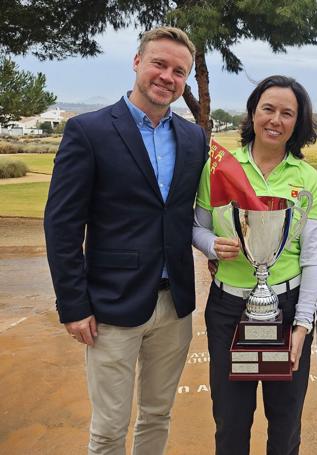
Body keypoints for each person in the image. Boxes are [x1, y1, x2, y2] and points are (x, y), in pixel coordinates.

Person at [44, 27, 207, 455]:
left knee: (158, 416)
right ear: (137, 62)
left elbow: (198, 208)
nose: (167, 76)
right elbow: (62, 225)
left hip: (175, 306)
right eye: (159, 63)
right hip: (110, 305)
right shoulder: (89, 130)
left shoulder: (194, 139)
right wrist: (73, 305)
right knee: (109, 429)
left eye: (179, 71)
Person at [192, 75, 317, 455]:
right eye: (268, 109)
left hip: (286, 308)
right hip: (228, 309)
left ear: (297, 123)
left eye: (288, 113)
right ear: (253, 113)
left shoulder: (308, 180)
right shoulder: (218, 168)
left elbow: (313, 259)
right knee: (231, 422)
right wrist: (212, 247)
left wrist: (302, 324)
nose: (276, 120)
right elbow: (196, 227)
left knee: (285, 424)